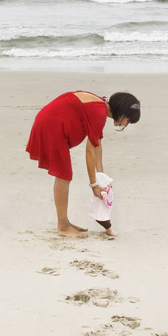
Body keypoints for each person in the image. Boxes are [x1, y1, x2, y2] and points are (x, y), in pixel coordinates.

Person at [26, 91, 140, 237]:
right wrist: (93, 185)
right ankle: (62, 227)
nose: (126, 124)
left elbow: (97, 143)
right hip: (51, 125)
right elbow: (90, 151)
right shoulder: (99, 111)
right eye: (129, 120)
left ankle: (65, 222)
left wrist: (102, 179)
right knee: (64, 174)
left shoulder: (101, 107)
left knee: (64, 174)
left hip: (52, 122)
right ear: (123, 113)